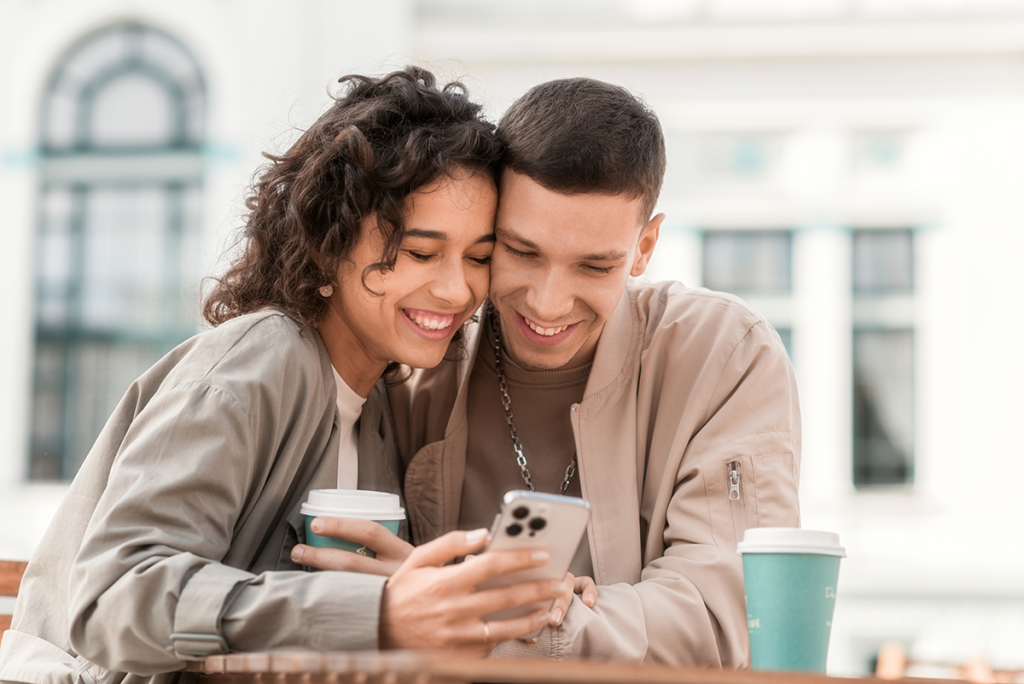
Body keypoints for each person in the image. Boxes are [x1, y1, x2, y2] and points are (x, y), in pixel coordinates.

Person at [0, 67, 571, 684]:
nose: (458, 288)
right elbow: (113, 598)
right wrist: (377, 613)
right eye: (420, 253)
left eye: (479, 258)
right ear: (330, 243)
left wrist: (474, 599)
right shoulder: (263, 357)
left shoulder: (375, 406)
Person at [384, 77, 803, 666]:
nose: (549, 303)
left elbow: (720, 618)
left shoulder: (725, 354)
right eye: (522, 252)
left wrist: (533, 626)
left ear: (645, 246)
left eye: (595, 266)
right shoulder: (419, 352)